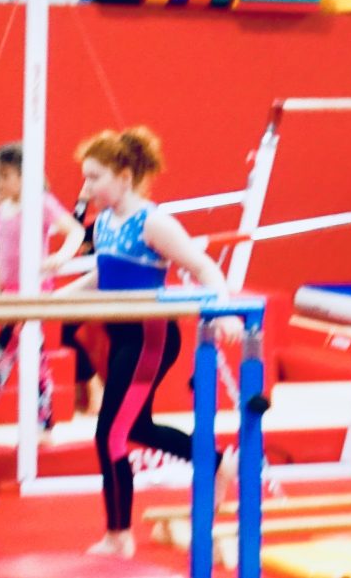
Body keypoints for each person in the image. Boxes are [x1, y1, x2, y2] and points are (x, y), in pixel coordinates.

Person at [58, 127, 239, 558]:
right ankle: (216, 463)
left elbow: (204, 267)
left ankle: (118, 535)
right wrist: (46, 301)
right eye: (85, 177)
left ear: (124, 177)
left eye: (94, 177)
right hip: (120, 335)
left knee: (110, 434)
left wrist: (223, 309)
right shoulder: (105, 222)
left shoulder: (153, 221)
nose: (86, 187)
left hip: (149, 339)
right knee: (136, 427)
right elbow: (102, 276)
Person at [0, 145, 85, 428]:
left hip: (34, 289)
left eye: (4, 176)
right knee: (32, 355)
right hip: (11, 291)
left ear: (24, 176)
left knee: (4, 356)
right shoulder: (1, 210)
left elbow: (75, 231)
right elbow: (2, 254)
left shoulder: (41, 202)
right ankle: (44, 419)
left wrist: (60, 257)